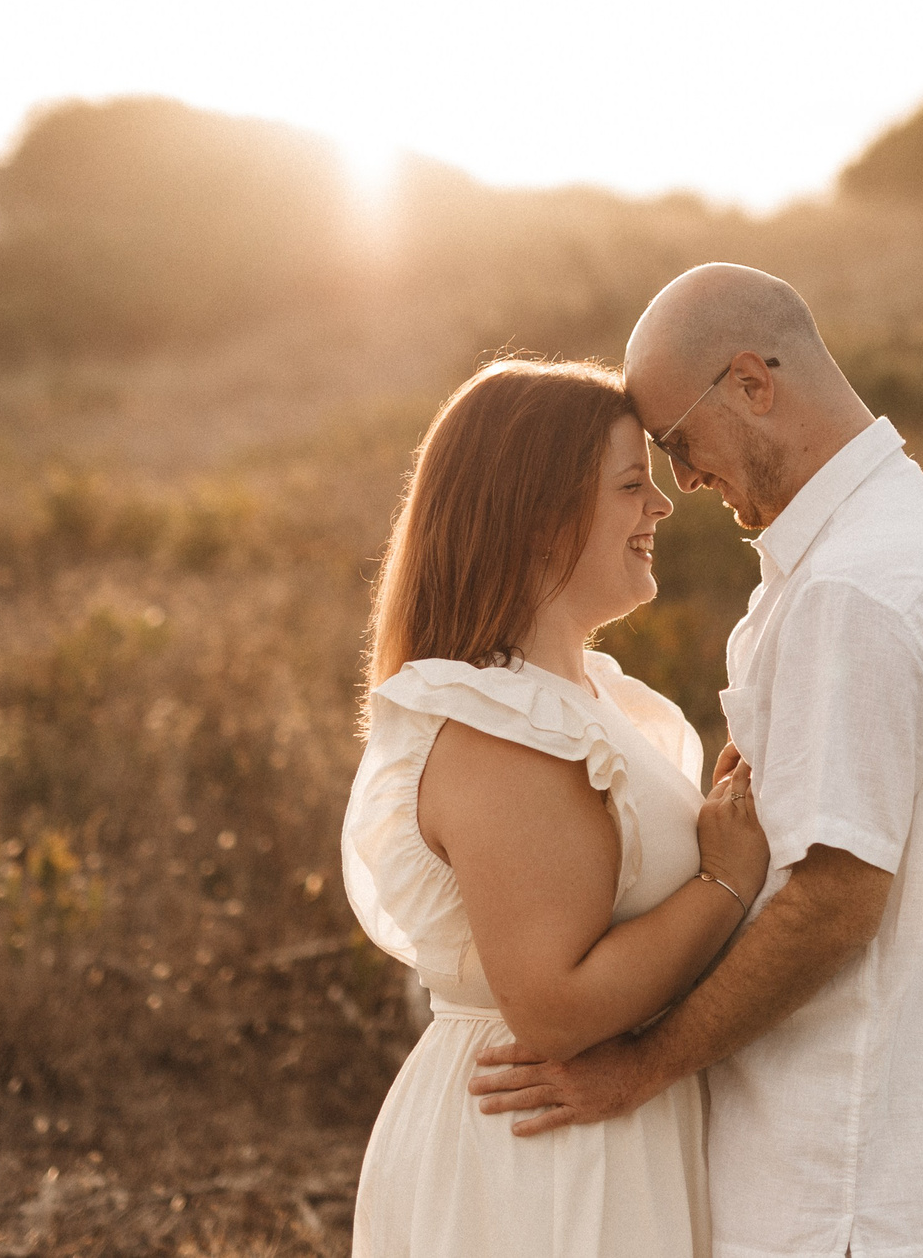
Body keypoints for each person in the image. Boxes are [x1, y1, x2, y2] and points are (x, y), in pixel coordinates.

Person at [469, 266, 923, 1258]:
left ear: (753, 384)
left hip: (837, 1181)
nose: (681, 482)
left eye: (679, 443)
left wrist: (642, 1066)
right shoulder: (879, 539)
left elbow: (833, 902)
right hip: (874, 1166)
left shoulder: (852, 588)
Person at [341, 357, 770, 1258]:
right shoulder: (500, 725)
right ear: (538, 517)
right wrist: (724, 881)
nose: (660, 507)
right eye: (630, 486)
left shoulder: (584, 703)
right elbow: (555, 1007)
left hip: (600, 1131)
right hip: (539, 1154)